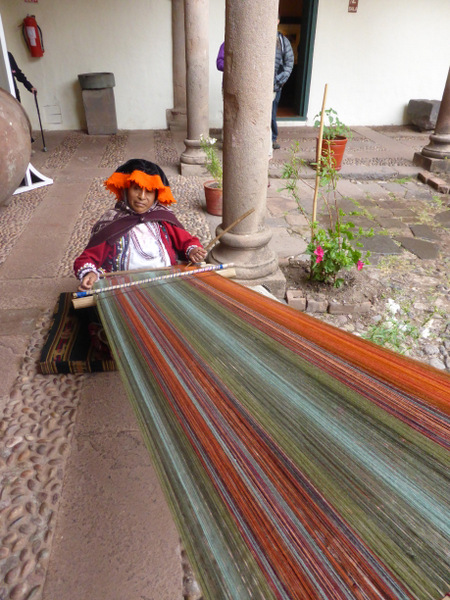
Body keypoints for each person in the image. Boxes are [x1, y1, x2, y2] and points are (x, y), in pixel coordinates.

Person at [74, 159, 207, 291]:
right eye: (136, 189)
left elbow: (186, 241)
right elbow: (89, 257)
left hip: (164, 282)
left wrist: (193, 250)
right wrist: (89, 274)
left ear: (156, 195)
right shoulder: (112, 223)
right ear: (126, 190)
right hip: (123, 287)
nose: (142, 197)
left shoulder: (163, 218)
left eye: (149, 191)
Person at [271, 21, 294, 150]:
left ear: (278, 21)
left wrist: (278, 81)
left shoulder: (282, 41)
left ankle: (272, 138)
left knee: (271, 114)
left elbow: (289, 63)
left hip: (275, 85)